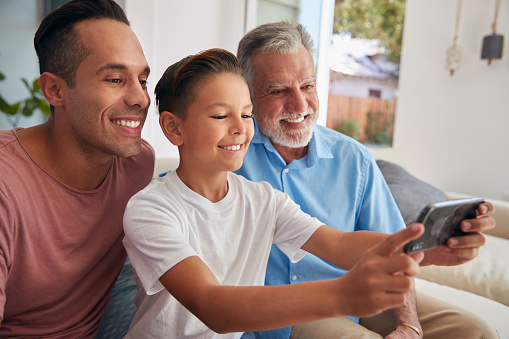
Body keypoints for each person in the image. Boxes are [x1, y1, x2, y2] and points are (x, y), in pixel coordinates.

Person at [122, 48, 430, 339]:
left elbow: (339, 243)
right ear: (174, 128)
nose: (240, 128)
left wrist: (432, 247)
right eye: (220, 116)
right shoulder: (150, 209)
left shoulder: (263, 199)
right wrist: (340, 295)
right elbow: (212, 305)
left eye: (246, 115)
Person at [234, 21, 498, 339]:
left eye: (307, 86)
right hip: (286, 312)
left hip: (362, 294)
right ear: (247, 93)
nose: (300, 105)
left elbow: (390, 248)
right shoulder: (231, 156)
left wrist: (409, 325)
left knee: (474, 331)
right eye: (279, 90)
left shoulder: (354, 158)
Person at [0, 0, 154, 337]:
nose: (141, 99)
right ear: (54, 90)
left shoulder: (139, 164)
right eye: (115, 79)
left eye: (142, 79)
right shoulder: (6, 184)